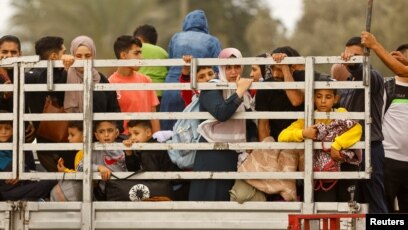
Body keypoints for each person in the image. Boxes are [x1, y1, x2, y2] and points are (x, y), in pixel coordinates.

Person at [188, 48, 253, 201]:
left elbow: (249, 124)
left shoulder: (245, 94)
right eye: (228, 67)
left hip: (233, 155)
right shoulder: (212, 87)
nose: (233, 72)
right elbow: (221, 113)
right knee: (208, 202)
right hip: (212, 154)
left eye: (237, 66)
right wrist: (240, 91)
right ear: (221, 69)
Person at [278, 88, 362, 201]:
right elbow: (282, 136)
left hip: (345, 164)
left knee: (347, 205)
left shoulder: (340, 113)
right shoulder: (307, 119)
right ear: (313, 98)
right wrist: (303, 133)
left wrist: (336, 145)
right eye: (318, 97)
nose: (323, 101)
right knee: (325, 205)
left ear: (335, 99)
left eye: (328, 97)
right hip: (322, 172)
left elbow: (356, 129)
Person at [340, 36, 387, 213]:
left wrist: (354, 64)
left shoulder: (374, 77)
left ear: (367, 56)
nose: (350, 59)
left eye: (356, 56)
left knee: (376, 202)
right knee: (352, 204)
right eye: (348, 55)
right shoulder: (347, 84)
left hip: (370, 147)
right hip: (349, 149)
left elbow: (363, 73)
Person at [159, 9, 222, 130]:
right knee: (193, 127)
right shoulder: (212, 40)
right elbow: (217, 68)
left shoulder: (176, 37)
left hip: (171, 87)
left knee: (168, 128)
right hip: (196, 91)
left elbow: (170, 62)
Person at [25, 36, 76, 172]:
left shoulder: (28, 75)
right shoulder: (55, 75)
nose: (66, 56)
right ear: (54, 56)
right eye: (63, 53)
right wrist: (61, 68)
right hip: (61, 141)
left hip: (44, 144)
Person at [64, 35, 123, 133]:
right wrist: (62, 58)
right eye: (78, 56)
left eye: (87, 56)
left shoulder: (101, 79)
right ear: (73, 56)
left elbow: (114, 107)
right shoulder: (64, 76)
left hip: (99, 138)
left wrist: (116, 129)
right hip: (71, 139)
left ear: (93, 56)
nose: (83, 60)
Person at [0, 110, 56, 201]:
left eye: (7, 128)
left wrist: (22, 172)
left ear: (13, 129)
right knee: (50, 182)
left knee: (50, 181)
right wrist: (21, 171)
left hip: (22, 186)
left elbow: (28, 169)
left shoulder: (20, 145)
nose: (3, 132)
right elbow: (12, 169)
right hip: (6, 192)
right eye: (0, 128)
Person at [109, 35, 160, 133]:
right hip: (122, 142)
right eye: (136, 53)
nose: (141, 57)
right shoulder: (110, 83)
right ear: (123, 55)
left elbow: (153, 115)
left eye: (140, 53)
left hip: (145, 141)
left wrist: (157, 140)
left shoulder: (146, 80)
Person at [255, 46, 305, 142]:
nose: (275, 74)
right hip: (276, 143)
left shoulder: (301, 81)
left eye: (279, 69)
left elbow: (296, 101)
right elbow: (263, 126)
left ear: (293, 68)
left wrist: (285, 67)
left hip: (300, 141)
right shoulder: (265, 88)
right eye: (273, 68)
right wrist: (268, 152)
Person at [0, 35, 36, 170]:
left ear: (20, 54)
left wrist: (30, 122)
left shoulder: (22, 74)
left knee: (28, 171)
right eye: (4, 52)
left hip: (21, 136)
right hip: (3, 138)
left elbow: (25, 101)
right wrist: (4, 96)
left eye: (13, 52)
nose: (9, 56)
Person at [123, 120, 178, 200]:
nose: (133, 138)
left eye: (136, 133)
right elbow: (133, 169)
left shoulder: (150, 150)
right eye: (130, 135)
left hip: (170, 189)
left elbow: (151, 177)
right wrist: (129, 153)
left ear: (148, 132)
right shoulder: (144, 148)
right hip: (167, 186)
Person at [133, 24, 168, 101]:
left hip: (140, 93)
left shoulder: (133, 51)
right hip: (160, 93)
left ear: (138, 38)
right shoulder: (163, 52)